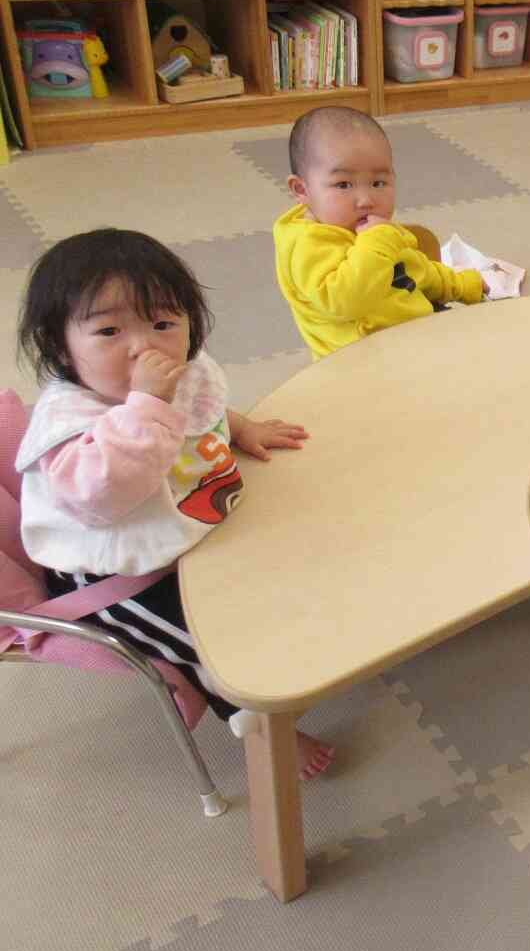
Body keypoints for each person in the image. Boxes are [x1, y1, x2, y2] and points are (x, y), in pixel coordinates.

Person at [14, 229, 336, 779]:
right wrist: (144, 407)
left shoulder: (176, 378)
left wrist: (239, 426)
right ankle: (253, 720)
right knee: (212, 645)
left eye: (164, 323)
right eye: (110, 330)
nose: (145, 347)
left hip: (184, 521)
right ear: (62, 346)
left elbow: (199, 416)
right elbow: (104, 496)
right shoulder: (69, 426)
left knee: (293, 567)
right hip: (113, 571)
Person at [274, 106, 489, 359]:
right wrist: (377, 241)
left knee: (491, 345)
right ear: (301, 189)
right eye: (343, 185)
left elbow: (416, 271)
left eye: (378, 183)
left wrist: (461, 285)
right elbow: (346, 301)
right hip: (363, 363)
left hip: (414, 334)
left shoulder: (375, 232)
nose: (366, 200)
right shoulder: (308, 245)